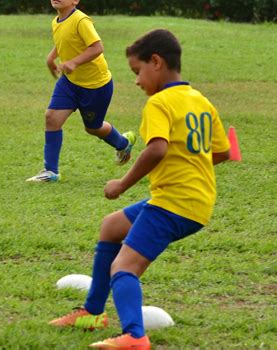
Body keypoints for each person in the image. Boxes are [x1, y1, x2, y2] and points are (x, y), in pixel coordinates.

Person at [49, 29, 231, 349]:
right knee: (111, 226)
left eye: (137, 72)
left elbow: (156, 149)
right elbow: (222, 152)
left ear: (156, 62)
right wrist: (188, 167)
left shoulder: (160, 103)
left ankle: (135, 336)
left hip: (174, 203)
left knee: (124, 267)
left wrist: (121, 184)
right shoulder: (200, 100)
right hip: (194, 199)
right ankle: (92, 312)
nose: (136, 81)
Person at [27, 0, 136, 182]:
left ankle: (123, 143)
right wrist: (51, 58)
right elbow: (63, 42)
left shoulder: (81, 20)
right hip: (69, 82)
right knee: (52, 118)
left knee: (93, 128)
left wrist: (74, 62)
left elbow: (97, 47)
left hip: (96, 85)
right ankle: (50, 172)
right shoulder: (56, 21)